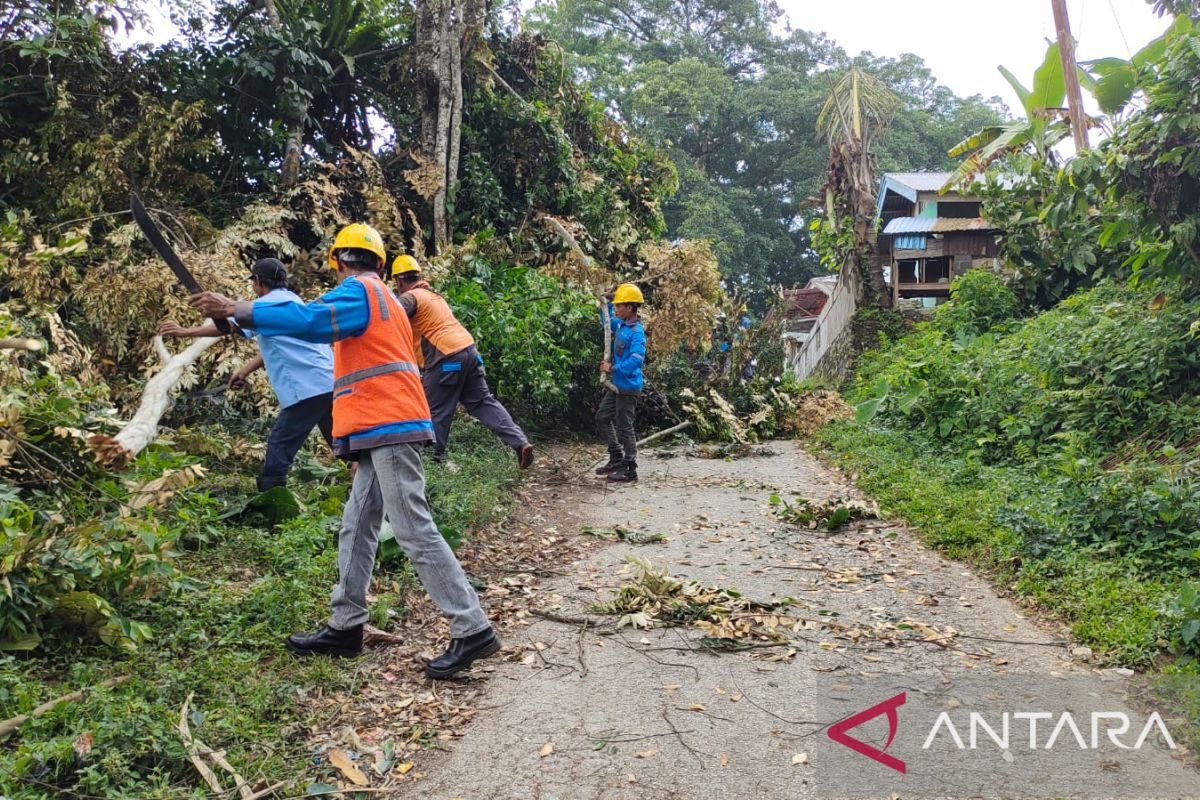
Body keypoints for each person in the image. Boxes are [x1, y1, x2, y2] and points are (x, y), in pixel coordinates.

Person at [189, 224, 499, 677]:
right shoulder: (384, 296)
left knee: (412, 527)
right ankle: (346, 624)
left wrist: (235, 308)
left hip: (390, 423)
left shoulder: (362, 292)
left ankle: (472, 628)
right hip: (377, 426)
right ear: (378, 261)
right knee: (357, 525)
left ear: (339, 262)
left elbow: (311, 321)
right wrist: (238, 318)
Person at [158, 258, 334, 492]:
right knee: (344, 444)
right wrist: (244, 370)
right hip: (330, 382)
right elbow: (270, 341)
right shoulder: (292, 302)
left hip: (306, 387)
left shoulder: (263, 307)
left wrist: (184, 331)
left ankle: (272, 502)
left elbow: (227, 326)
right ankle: (371, 484)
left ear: (258, 281)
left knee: (280, 446)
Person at [391, 254, 534, 469]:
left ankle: (433, 463)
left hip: (446, 359)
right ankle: (520, 443)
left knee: (435, 411)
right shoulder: (434, 297)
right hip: (469, 351)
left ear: (398, 281)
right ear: (419, 275)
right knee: (483, 402)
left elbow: (390, 319)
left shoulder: (410, 297)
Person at [595, 283, 646, 483]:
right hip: (615, 386)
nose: (616, 310)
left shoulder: (636, 333)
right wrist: (604, 302)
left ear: (630, 308)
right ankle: (616, 457)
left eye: (619, 306)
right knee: (602, 417)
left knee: (625, 426)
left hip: (628, 387)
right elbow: (606, 323)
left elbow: (636, 360)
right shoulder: (621, 325)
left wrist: (613, 368)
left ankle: (630, 468)